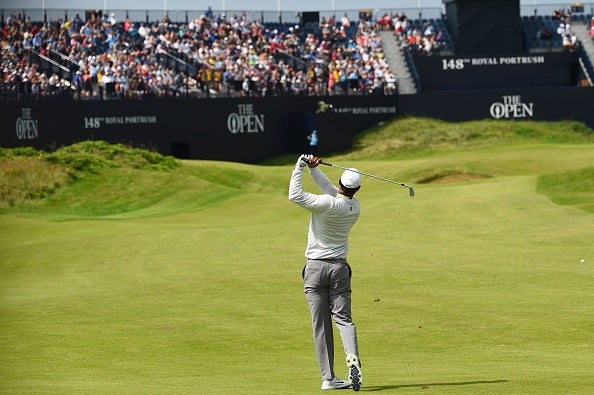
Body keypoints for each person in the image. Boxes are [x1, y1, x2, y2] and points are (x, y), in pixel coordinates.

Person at [288, 155, 364, 391]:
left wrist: (300, 165)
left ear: (340, 183)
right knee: (343, 319)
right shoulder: (354, 206)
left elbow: (295, 195)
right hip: (339, 269)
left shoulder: (326, 204)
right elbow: (334, 191)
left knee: (320, 325)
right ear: (357, 188)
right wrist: (314, 170)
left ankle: (328, 378)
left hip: (315, 269)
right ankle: (351, 356)